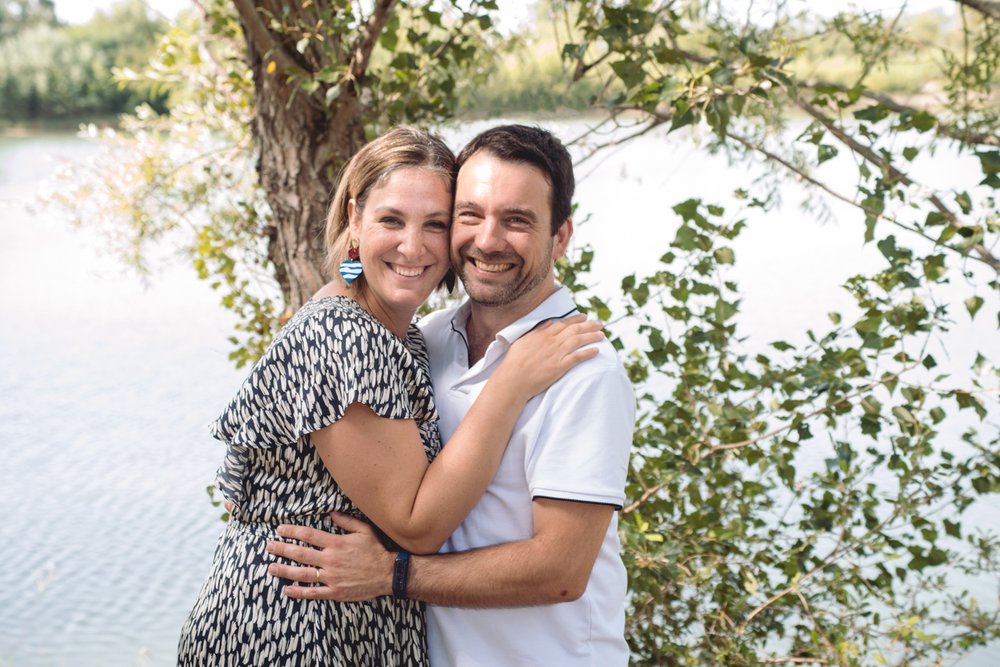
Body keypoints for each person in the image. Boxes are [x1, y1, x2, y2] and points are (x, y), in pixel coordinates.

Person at [177, 126, 604, 666]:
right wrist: (513, 380)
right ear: (355, 219)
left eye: (437, 224)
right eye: (391, 220)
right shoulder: (346, 333)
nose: (413, 246)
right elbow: (416, 524)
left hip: (354, 625)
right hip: (295, 629)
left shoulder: (414, 336)